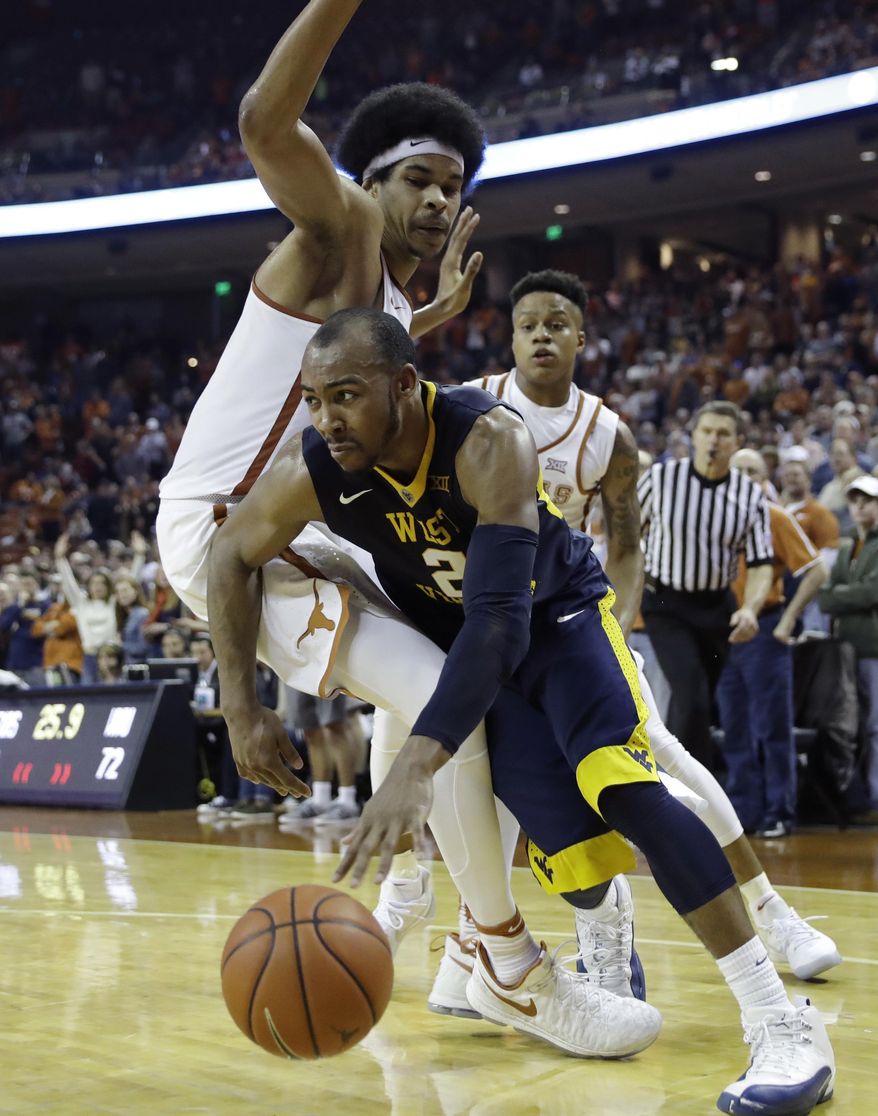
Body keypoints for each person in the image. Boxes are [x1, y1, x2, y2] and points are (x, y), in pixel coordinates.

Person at [208, 308, 835, 1116]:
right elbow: (229, 552)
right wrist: (240, 707)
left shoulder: (485, 439)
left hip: (559, 622)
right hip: (478, 655)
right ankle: (556, 953)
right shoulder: (320, 466)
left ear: (405, 385)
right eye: (314, 398)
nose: (327, 417)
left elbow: (501, 619)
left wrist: (417, 758)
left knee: (628, 786)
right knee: (569, 847)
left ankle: (780, 1020)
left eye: (347, 395)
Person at [158, 0, 626, 1062]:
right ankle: (502, 958)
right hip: (226, 536)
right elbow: (264, 125)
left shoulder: (379, 325)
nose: (434, 200)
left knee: (475, 673)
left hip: (297, 534)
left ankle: (461, 928)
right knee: (434, 700)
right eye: (414, 177)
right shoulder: (332, 236)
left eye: (452, 186)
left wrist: (424, 323)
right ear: (363, 181)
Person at [637, 401, 774, 771]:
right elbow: (627, 537)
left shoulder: (750, 495)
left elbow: (762, 563)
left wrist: (750, 608)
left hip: (717, 607)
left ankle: (682, 788)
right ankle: (690, 795)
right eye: (707, 431)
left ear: (737, 441)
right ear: (694, 436)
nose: (714, 440)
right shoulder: (662, 479)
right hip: (666, 603)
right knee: (691, 696)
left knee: (701, 703)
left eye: (723, 433)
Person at [717, 449, 829, 839]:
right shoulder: (717, 517)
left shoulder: (774, 516)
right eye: (739, 470)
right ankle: (743, 814)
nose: (745, 476)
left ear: (765, 478)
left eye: (753, 471)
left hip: (764, 627)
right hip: (723, 632)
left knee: (771, 727)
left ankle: (779, 811)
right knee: (733, 726)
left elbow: (816, 570)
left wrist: (788, 619)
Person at [818, 475, 878, 820]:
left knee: (874, 726)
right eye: (854, 500)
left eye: (867, 500)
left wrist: (843, 594)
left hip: (872, 648)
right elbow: (826, 598)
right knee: (854, 726)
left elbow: (872, 592)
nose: (860, 506)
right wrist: (848, 595)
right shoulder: (847, 545)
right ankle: (859, 798)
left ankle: (874, 797)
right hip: (846, 650)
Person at [278, 690, 364, 824]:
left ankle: (348, 801)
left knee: (334, 724)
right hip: (296, 670)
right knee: (309, 727)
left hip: (325, 669)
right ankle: (320, 799)